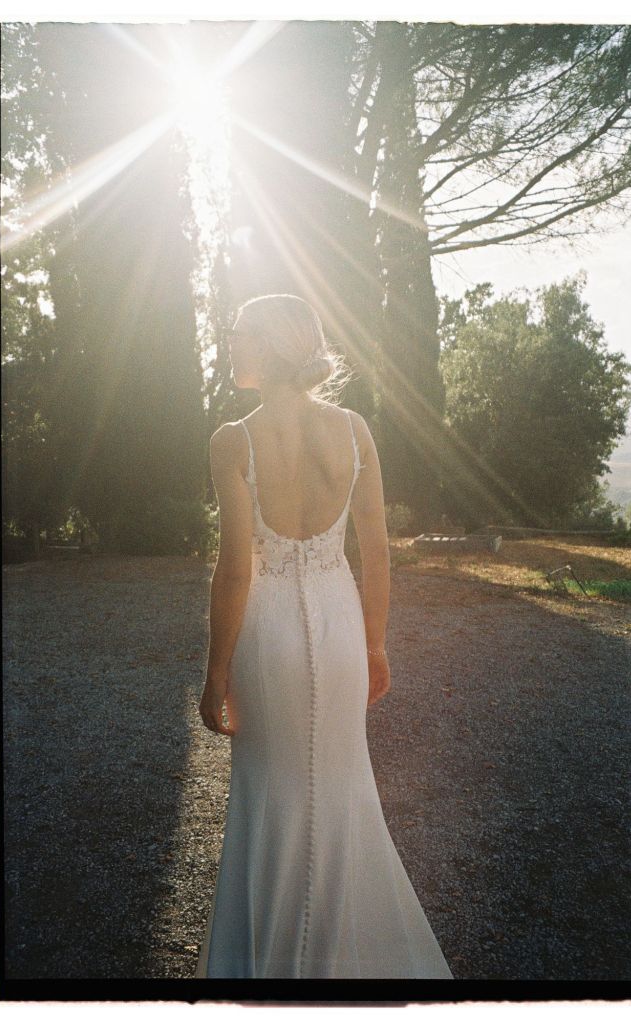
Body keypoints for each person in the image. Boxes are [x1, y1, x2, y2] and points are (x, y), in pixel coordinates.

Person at [194, 294, 453, 979]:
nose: (230, 342)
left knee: (270, 790)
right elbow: (375, 549)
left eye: (239, 333)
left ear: (272, 345)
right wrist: (374, 644)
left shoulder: (234, 438)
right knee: (340, 786)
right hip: (339, 629)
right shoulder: (353, 430)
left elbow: (235, 568)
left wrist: (215, 671)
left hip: (267, 635)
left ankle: (268, 968)